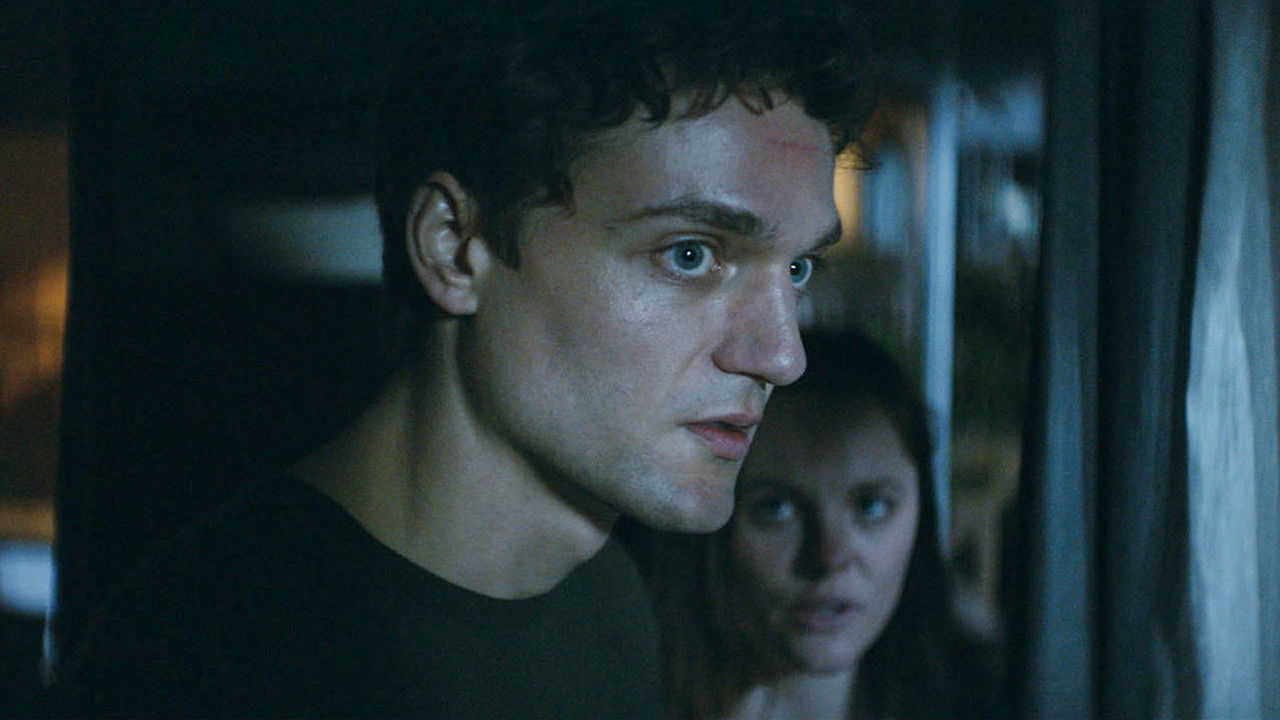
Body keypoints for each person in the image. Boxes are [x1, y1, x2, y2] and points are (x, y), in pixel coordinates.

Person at [43, 1, 877, 716]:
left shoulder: (606, 604)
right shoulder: (220, 656)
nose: (782, 355)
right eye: (690, 254)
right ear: (453, 246)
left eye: (799, 268)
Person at [645, 331, 1008, 719]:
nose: (830, 558)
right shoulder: (622, 693)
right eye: (777, 509)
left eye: (871, 506)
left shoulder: (991, 695)